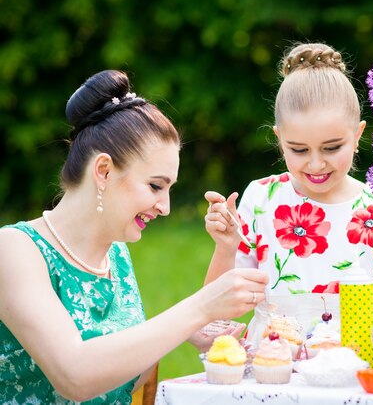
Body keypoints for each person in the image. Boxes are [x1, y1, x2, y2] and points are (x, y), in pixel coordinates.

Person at [0, 70, 268, 404]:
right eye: (156, 186)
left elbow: (125, 376)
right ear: (104, 171)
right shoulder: (14, 250)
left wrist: (189, 326)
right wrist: (196, 309)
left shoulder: (116, 256)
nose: (166, 207)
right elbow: (75, 376)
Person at [202, 43, 373, 349]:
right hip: (271, 362)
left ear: (357, 136)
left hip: (354, 361)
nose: (316, 164)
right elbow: (214, 315)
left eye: (331, 148)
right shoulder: (262, 199)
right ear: (280, 140)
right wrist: (225, 247)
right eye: (299, 150)